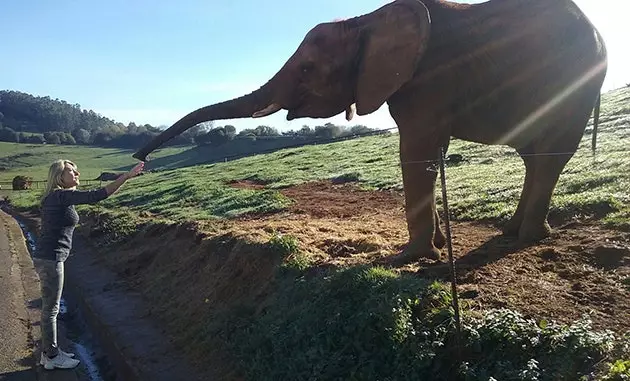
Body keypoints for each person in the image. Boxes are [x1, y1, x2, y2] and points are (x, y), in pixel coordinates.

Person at [33, 159, 144, 370]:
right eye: (71, 172)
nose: (77, 174)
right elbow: (98, 195)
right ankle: (51, 356)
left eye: (76, 171)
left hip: (49, 256)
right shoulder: (60, 196)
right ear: (59, 177)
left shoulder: (58, 197)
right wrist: (126, 177)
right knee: (51, 309)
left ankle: (50, 351)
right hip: (51, 258)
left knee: (52, 308)